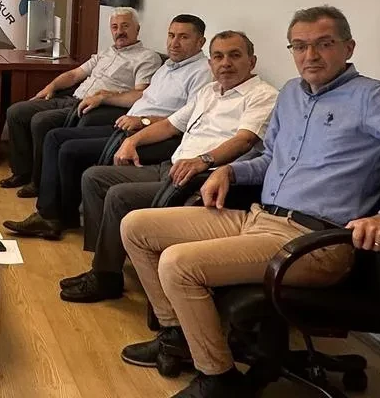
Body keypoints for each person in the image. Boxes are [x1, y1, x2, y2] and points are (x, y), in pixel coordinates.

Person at [119, 7, 380, 398]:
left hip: (314, 241)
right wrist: (229, 171)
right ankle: (178, 337)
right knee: (137, 226)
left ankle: (219, 381)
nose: (310, 55)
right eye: (300, 46)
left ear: (348, 47)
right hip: (260, 220)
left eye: (324, 44)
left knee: (178, 263)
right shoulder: (293, 94)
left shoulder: (372, 97)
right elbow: (270, 158)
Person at [56, 31, 278, 303]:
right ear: (210, 63)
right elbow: (170, 125)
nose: (225, 63)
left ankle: (105, 277)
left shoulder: (263, 95)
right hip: (171, 166)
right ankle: (105, 261)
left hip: (202, 178)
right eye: (218, 57)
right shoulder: (208, 92)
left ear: (251, 61)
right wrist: (132, 141)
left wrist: (203, 160)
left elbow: (245, 140)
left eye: (235, 55)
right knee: (95, 178)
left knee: (119, 195)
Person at [2, 15, 211, 241]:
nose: (174, 43)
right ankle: (55, 214)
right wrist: (106, 96)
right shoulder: (169, 66)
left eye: (183, 37)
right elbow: (141, 96)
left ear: (200, 42)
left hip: (152, 136)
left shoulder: (202, 73)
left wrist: (144, 121)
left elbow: (189, 120)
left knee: (70, 149)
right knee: (54, 137)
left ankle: (51, 217)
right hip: (127, 125)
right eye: (171, 35)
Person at [1, 7, 163, 197]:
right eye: (115, 27)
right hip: (71, 98)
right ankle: (22, 172)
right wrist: (51, 86)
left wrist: (106, 96)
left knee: (41, 121)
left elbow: (141, 94)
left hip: (93, 107)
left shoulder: (147, 57)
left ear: (137, 29)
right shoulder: (105, 53)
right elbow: (75, 74)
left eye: (125, 26)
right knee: (16, 112)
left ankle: (38, 183)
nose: (119, 31)